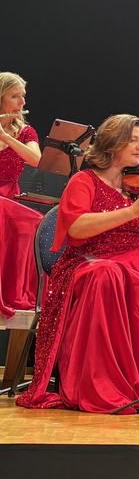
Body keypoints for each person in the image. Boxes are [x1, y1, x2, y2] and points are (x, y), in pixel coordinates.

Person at [16, 114, 139, 414]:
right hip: (88, 263)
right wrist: (131, 212)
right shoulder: (84, 180)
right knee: (107, 275)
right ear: (113, 143)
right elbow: (77, 227)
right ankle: (103, 387)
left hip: (135, 266)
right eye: (134, 140)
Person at [0, 71, 42, 318]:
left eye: (23, 96)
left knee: (35, 220)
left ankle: (15, 291)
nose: (22, 102)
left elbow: (36, 159)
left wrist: (7, 138)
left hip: (9, 197)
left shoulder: (25, 132)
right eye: (15, 96)